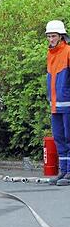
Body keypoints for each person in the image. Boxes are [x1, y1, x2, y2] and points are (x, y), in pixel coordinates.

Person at [45, 20, 70, 186]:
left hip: (68, 104)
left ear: (61, 36)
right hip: (55, 105)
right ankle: (63, 170)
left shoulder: (68, 51)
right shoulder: (50, 54)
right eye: (48, 36)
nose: (50, 39)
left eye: (53, 36)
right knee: (59, 138)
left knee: (69, 137)